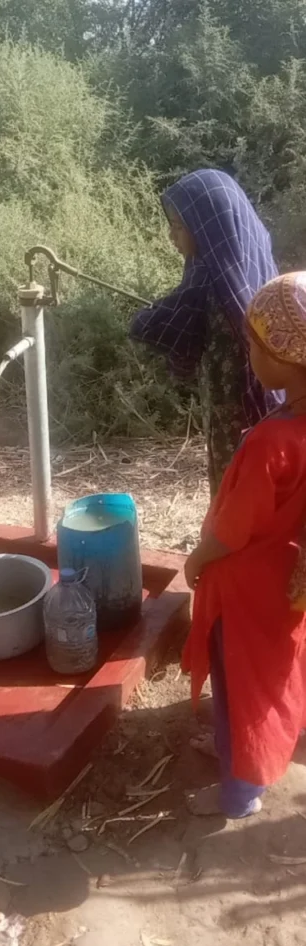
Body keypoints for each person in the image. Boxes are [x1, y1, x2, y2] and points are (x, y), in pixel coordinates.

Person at [182, 272, 306, 817]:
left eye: (256, 343)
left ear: (288, 357)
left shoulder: (272, 442)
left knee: (239, 686)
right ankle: (282, 738)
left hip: (246, 589)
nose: (248, 353)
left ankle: (240, 791)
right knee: (279, 669)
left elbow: (233, 529)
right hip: (289, 580)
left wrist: (197, 558)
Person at [131, 168, 281, 497]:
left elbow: (164, 325)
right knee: (259, 482)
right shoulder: (247, 255)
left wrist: (143, 318)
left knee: (236, 482)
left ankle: (232, 528)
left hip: (234, 405)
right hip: (265, 403)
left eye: (178, 226)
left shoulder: (211, 279)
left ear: (205, 225)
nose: (171, 236)